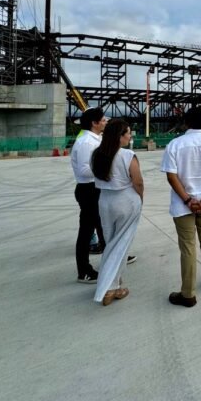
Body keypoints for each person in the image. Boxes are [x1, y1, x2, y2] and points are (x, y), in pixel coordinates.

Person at [160, 107, 201, 308]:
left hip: (183, 206)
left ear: (186, 122)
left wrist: (188, 200)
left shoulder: (175, 144)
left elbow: (171, 176)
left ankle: (188, 293)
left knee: (188, 246)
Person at [91, 119, 143, 306]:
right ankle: (111, 288)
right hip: (125, 201)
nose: (130, 136)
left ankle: (112, 281)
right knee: (120, 246)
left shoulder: (96, 154)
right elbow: (137, 181)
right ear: (119, 136)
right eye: (128, 133)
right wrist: (141, 198)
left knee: (111, 242)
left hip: (105, 201)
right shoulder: (128, 155)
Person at [70, 107, 108, 283]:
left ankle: (112, 256)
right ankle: (84, 270)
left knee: (103, 226)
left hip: (95, 188)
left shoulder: (95, 139)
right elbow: (85, 170)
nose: (105, 121)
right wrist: (107, 169)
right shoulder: (87, 142)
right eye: (102, 119)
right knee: (86, 231)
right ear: (94, 123)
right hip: (88, 190)